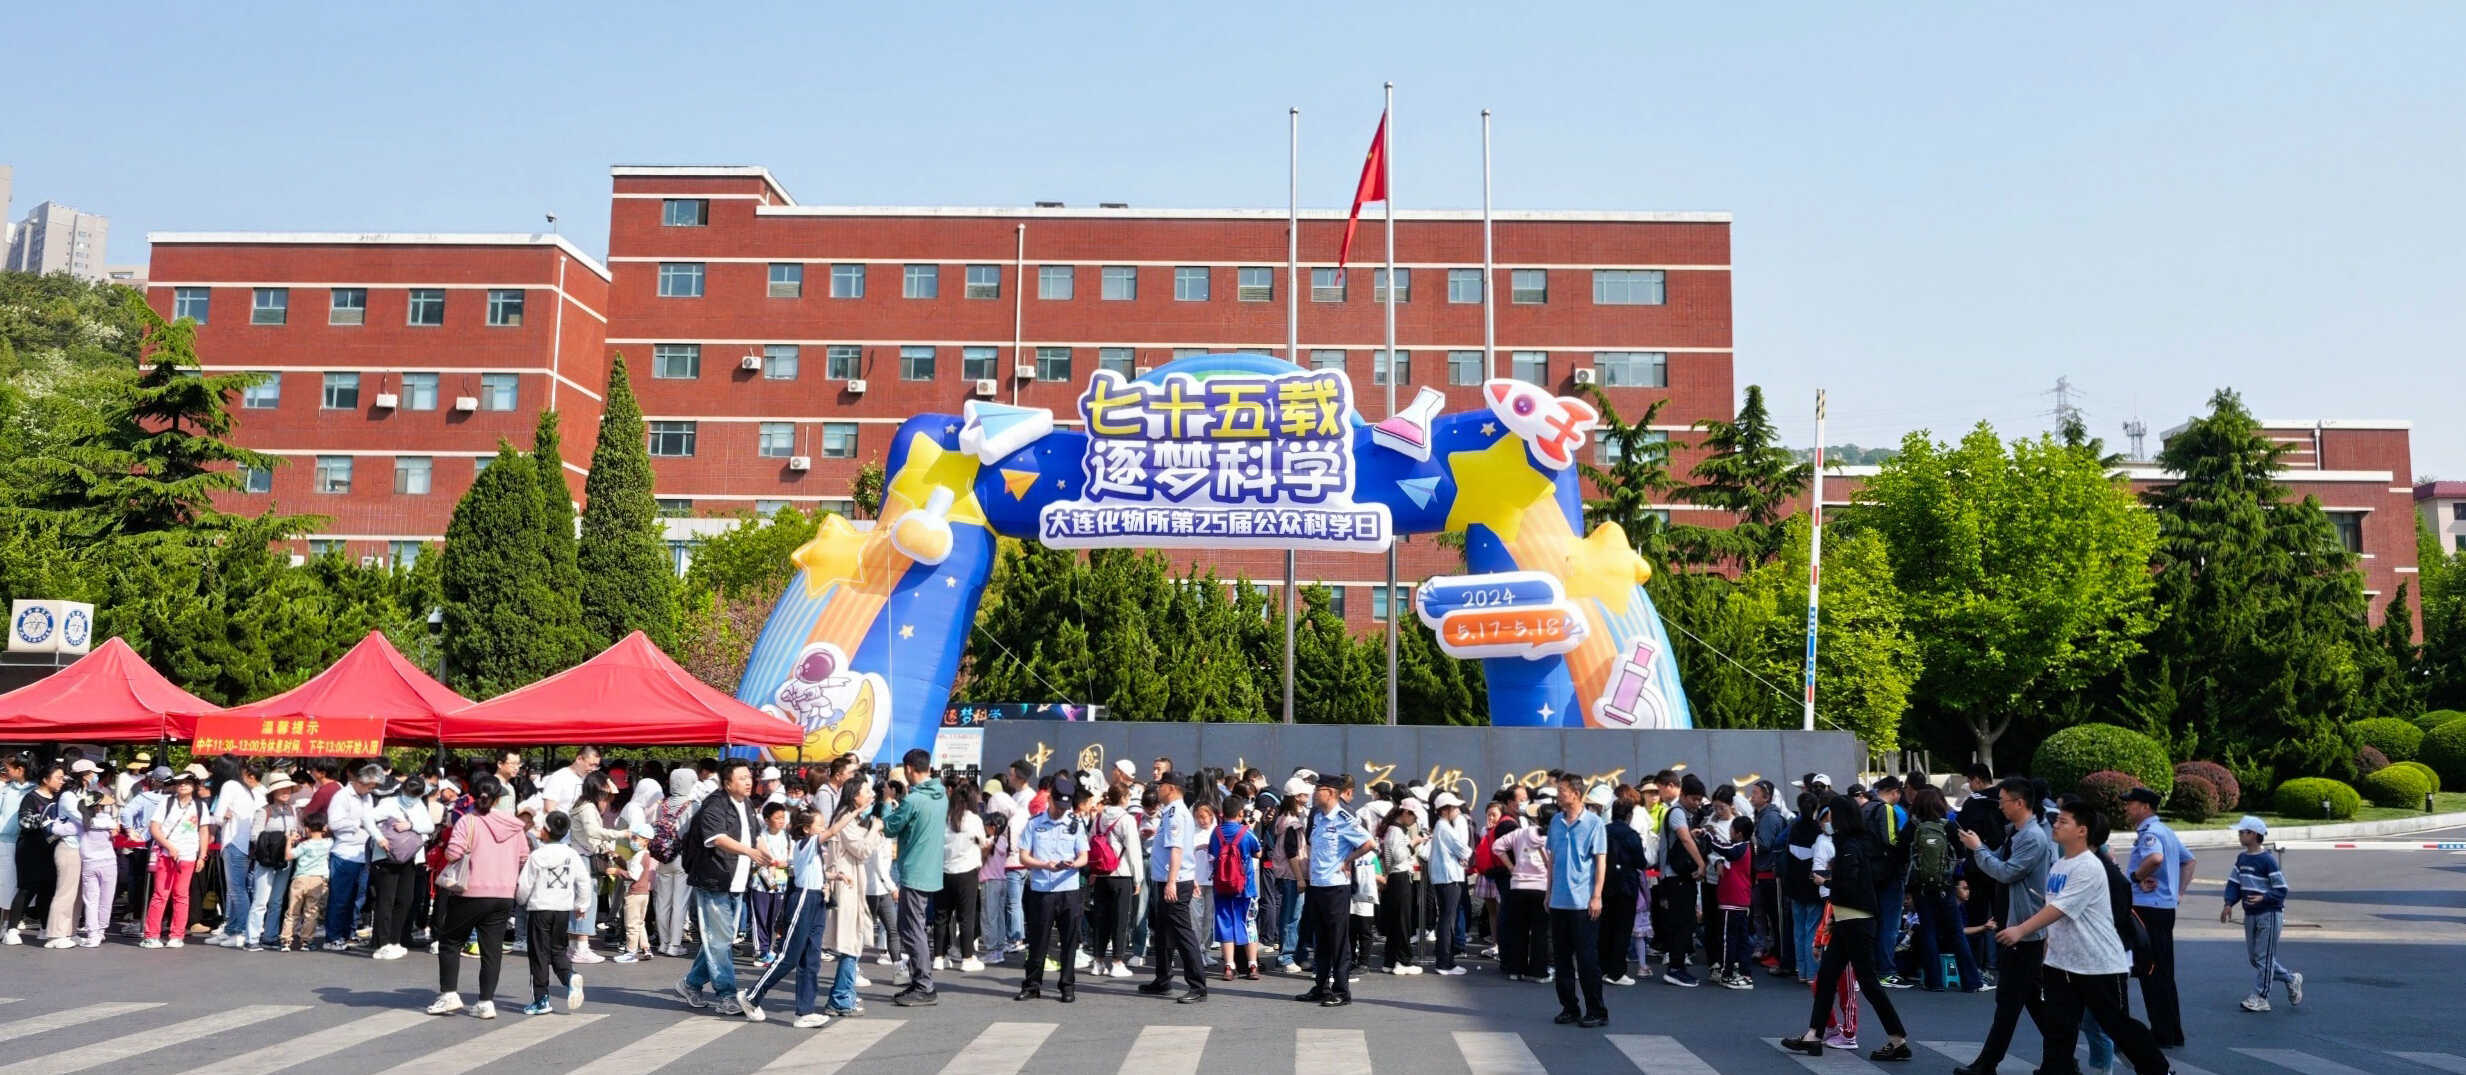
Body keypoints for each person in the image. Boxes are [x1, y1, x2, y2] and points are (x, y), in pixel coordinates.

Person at [1995, 798, 2169, 1075]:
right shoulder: (2060, 865)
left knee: (2116, 1024)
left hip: (2097, 963)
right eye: (2057, 820)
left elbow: (2060, 909)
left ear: (2082, 830)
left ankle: (2158, 1069)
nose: (2056, 824)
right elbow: (2055, 916)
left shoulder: (2089, 866)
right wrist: (2047, 952)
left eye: (2063, 821)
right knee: (2059, 1029)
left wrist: (2021, 930)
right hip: (2062, 964)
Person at [1780, 794, 1914, 1062]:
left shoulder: (1850, 846)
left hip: (1855, 921)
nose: (1826, 821)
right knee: (1827, 978)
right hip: (1849, 919)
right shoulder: (1854, 843)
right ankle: (1814, 1035)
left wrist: (1828, 885)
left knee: (1866, 981)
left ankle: (1898, 1040)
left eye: (1829, 816)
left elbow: (1850, 884)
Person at [1954, 778, 2056, 1075]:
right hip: (2013, 927)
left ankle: (1987, 1065)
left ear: (2020, 803)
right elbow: (1995, 861)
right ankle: (2062, 1061)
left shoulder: (2033, 838)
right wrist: (1978, 846)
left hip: (2023, 930)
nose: (1999, 806)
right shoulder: (2016, 832)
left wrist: (1978, 849)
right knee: (2030, 1000)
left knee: (2009, 1002)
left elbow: (2005, 872)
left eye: (2003, 801)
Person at [676, 758, 772, 1020]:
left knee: (721, 941)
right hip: (713, 881)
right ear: (727, 783)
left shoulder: (746, 804)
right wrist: (750, 852)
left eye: (749, 777)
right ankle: (726, 996)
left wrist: (765, 853)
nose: (749, 781)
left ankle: (691, 983)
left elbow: (755, 835)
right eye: (742, 778)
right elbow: (716, 838)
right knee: (719, 942)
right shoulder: (714, 805)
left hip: (736, 881)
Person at [429, 778, 528, 1018]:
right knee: (492, 950)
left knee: (451, 942)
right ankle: (486, 1002)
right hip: (503, 893)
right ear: (498, 797)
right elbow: (524, 857)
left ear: (472, 796)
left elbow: (453, 853)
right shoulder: (514, 825)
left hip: (470, 891)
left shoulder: (468, 821)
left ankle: (449, 994)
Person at [1295, 778, 1374, 1007]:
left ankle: (1341, 990)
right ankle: (1321, 986)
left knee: (1338, 940)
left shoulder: (1344, 818)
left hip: (1336, 886)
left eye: (1317, 790)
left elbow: (1368, 844)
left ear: (1330, 792)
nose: (1314, 794)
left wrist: (1348, 860)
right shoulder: (1318, 817)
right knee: (1321, 939)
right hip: (1318, 884)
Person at [2122, 785, 2191, 1046]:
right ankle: (2172, 1031)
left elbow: (2155, 858)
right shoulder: (2166, 830)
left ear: (2145, 807)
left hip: (2148, 909)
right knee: (2164, 971)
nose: (2127, 808)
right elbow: (2189, 861)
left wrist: (2135, 877)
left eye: (2130, 804)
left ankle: (2162, 1033)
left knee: (2149, 970)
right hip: (2164, 908)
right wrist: (2177, 893)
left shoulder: (2150, 833)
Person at [881, 749, 948, 1006]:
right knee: (914, 927)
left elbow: (890, 827)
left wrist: (887, 802)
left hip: (914, 870)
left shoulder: (914, 800)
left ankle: (924, 984)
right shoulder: (940, 795)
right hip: (930, 869)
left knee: (912, 929)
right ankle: (920, 980)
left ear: (909, 769)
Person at [1017, 773, 1091, 1001]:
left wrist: (1074, 864)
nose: (1061, 811)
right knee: (1038, 940)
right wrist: (1044, 864)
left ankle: (1067, 986)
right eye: (1058, 806)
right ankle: (1032, 985)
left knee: (1069, 941)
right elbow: (1023, 856)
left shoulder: (1075, 824)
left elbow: (1084, 856)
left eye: (1065, 807)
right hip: (1042, 890)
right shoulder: (1034, 824)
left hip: (1069, 889)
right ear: (1049, 799)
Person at [1136, 770, 1207, 1003]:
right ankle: (1163, 979)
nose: (1158, 789)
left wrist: (1172, 881)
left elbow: (1177, 850)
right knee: (1164, 933)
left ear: (1172, 788)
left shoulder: (1175, 814)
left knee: (1182, 933)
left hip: (1173, 881)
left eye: (1161, 785)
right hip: (1171, 879)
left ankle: (1198, 986)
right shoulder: (1172, 812)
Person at [1547, 774, 1611, 1028]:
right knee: (1562, 959)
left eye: (1561, 790)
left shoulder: (1594, 823)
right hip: (1558, 901)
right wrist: (1548, 892)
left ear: (1575, 793)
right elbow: (1552, 859)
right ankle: (1569, 1007)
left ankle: (1597, 1010)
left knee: (1586, 960)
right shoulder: (1555, 821)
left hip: (1583, 903)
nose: (1558, 795)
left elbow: (1600, 861)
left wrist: (1597, 896)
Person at [1905, 784, 1983, 993]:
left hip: (1920, 887)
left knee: (1928, 930)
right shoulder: (1949, 825)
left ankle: (1934, 981)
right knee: (1955, 932)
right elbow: (1961, 854)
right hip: (1945, 886)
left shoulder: (1913, 826)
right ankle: (1971, 980)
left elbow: (1901, 851)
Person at [2222, 815, 2302, 1013]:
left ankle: (2261, 997)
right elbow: (2234, 883)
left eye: (2242, 832)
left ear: (2253, 834)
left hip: (2269, 914)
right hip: (2250, 914)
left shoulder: (2267, 860)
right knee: (2256, 959)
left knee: (2264, 958)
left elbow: (2281, 889)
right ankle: (2291, 978)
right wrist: (2229, 903)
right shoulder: (2242, 858)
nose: (2239, 835)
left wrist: (2264, 898)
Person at [516, 811, 587, 1016]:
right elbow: (583, 881)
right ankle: (569, 976)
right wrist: (581, 905)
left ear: (546, 831)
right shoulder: (571, 854)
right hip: (562, 910)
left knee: (539, 954)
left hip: (540, 909)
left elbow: (525, 884)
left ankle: (541, 999)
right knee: (558, 950)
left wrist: (520, 900)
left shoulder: (538, 855)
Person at [823, 779, 883, 1018]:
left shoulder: (852, 818)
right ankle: (840, 997)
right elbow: (863, 849)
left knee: (853, 942)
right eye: (866, 791)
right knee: (850, 943)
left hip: (851, 885)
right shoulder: (845, 819)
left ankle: (843, 994)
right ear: (854, 795)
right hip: (845, 886)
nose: (870, 795)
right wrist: (875, 829)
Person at [138, 768, 208, 948]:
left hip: (188, 855)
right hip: (166, 854)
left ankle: (177, 935)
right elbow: (154, 828)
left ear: (194, 785)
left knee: (181, 896)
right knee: (160, 895)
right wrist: (169, 846)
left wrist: (202, 856)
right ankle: (151, 935)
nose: (183, 785)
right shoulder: (167, 802)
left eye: (187, 782)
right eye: (180, 782)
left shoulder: (200, 806)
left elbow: (203, 831)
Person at [368, 775, 433, 960]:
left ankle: (395, 940)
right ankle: (382, 943)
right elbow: (367, 818)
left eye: (416, 795)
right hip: (387, 857)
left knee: (405, 899)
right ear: (403, 790)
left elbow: (429, 826)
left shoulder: (419, 805)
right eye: (409, 793)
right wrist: (379, 838)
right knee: (386, 900)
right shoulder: (389, 803)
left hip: (409, 857)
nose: (411, 798)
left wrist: (410, 825)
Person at [1652, 774, 1708, 987]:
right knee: (1681, 924)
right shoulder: (1677, 813)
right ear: (1683, 795)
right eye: (1694, 799)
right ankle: (1675, 968)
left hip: (1678, 877)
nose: (1697, 803)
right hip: (1676, 878)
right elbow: (1684, 838)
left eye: (1699, 800)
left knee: (1685, 922)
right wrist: (1701, 864)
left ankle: (1678, 967)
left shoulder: (1680, 813)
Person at [322, 763, 381, 952]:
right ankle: (333, 937)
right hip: (345, 853)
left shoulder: (367, 797)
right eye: (370, 785)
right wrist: (359, 823)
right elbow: (334, 823)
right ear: (359, 781)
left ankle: (349, 933)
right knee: (340, 898)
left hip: (364, 854)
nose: (371, 789)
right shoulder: (342, 796)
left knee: (357, 898)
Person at [1496, 796, 1552, 981]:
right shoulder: (1552, 838)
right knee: (1539, 931)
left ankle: (1515, 970)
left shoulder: (1520, 833)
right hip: (1541, 887)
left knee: (1518, 929)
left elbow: (1497, 846)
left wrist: (1511, 867)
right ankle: (1538, 972)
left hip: (1518, 886)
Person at [935, 779, 988, 974]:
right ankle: (967, 958)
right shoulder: (973, 819)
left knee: (941, 916)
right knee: (966, 917)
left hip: (944, 871)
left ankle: (939, 957)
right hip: (967, 873)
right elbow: (983, 843)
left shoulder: (945, 818)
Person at [565, 771, 618, 966]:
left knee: (579, 901)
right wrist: (619, 834)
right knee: (587, 901)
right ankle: (582, 947)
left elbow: (614, 793)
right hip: (585, 858)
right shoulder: (588, 807)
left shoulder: (581, 804)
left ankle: (574, 947)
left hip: (580, 855)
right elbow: (593, 832)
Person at [1210, 792, 1262, 981]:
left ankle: (1229, 966)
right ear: (1240, 813)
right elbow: (1258, 852)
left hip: (1222, 886)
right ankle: (1252, 965)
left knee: (1225, 923)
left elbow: (1212, 854)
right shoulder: (1246, 832)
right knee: (1249, 924)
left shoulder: (1216, 833)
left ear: (1222, 813)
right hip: (1245, 887)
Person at [245, 776, 300, 950]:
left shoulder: (292, 811)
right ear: (273, 792)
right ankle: (252, 938)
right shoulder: (264, 811)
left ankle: (270, 936)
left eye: (288, 789)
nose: (286, 792)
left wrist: (293, 838)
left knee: (276, 900)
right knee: (261, 900)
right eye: (282, 789)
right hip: (267, 860)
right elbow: (255, 835)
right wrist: (278, 840)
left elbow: (297, 831)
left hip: (285, 860)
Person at [211, 763, 263, 948]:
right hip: (245, 845)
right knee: (237, 889)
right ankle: (231, 929)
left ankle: (241, 930)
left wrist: (219, 816)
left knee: (236, 890)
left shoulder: (230, 785)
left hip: (233, 842)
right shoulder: (250, 791)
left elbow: (218, 817)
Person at [1375, 797, 1424, 976]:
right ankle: (1403, 961)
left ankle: (1390, 961)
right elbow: (1399, 856)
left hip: (1396, 877)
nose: (1414, 820)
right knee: (1403, 922)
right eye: (1413, 816)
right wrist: (1413, 843)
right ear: (1405, 813)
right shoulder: (1396, 831)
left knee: (1396, 922)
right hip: (1400, 876)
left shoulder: (1393, 829)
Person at [1749, 780, 1793, 978]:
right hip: (1765, 873)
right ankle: (1775, 951)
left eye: (1755, 793)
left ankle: (1780, 954)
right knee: (1769, 916)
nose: (1752, 796)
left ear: (1766, 797)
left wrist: (1749, 837)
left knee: (1776, 917)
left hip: (1770, 874)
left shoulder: (1769, 818)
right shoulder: (1762, 815)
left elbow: (1764, 844)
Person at [1425, 792, 1472, 976]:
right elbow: (1463, 849)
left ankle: (1446, 960)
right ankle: (1444, 962)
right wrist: (1465, 854)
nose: (1457, 810)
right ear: (1445, 810)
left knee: (1447, 918)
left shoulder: (1441, 826)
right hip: (1449, 876)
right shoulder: (1444, 826)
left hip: (1445, 876)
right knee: (1448, 918)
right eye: (1454, 807)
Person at [651, 769, 697, 957]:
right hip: (682, 858)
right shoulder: (694, 806)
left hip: (663, 856)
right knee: (680, 902)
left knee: (662, 902)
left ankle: (663, 942)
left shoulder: (662, 805)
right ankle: (675, 945)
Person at [280, 813, 335, 952]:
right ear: (324, 828)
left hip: (300, 879)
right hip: (318, 880)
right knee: (311, 912)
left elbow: (288, 856)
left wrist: (289, 841)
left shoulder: (304, 845)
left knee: (292, 910)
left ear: (307, 829)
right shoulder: (329, 843)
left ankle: (286, 941)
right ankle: (306, 941)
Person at [749, 802, 793, 968]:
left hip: (780, 881)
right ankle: (760, 952)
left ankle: (768, 948)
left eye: (783, 817)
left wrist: (784, 863)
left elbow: (791, 858)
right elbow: (758, 857)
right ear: (767, 820)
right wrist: (772, 863)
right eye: (777, 818)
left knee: (773, 918)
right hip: (762, 880)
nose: (781, 821)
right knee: (761, 915)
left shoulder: (787, 836)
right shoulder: (760, 836)